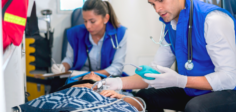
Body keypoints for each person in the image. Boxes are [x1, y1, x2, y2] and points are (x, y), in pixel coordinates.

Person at [104, 0, 236, 112]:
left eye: (161, 0)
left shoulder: (213, 19)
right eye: (153, 4)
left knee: (196, 107)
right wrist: (117, 83)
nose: (157, 9)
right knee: (146, 95)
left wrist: (180, 80)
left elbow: (228, 79)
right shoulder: (170, 25)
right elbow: (153, 73)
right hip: (200, 90)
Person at [50, 0, 127, 92]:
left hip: (107, 80)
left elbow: (117, 67)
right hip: (81, 81)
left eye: (92, 21)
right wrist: (62, 67)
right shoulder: (75, 33)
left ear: (106, 18)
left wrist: (92, 76)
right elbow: (69, 59)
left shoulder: (119, 33)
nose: (88, 26)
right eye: (85, 21)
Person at [15, 72, 144, 112]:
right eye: (88, 75)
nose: (92, 72)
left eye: (98, 76)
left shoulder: (115, 93)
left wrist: (120, 96)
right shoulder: (75, 89)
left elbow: (140, 105)